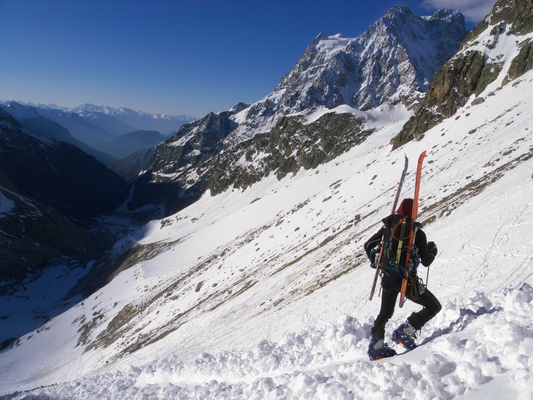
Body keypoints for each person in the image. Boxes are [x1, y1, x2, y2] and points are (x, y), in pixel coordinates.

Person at [364, 198, 441, 360]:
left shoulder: (387, 229)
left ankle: (376, 347)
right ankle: (404, 333)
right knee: (433, 306)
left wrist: (376, 261)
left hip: (387, 277)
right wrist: (431, 250)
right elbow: (426, 261)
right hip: (407, 281)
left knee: (385, 312)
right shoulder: (416, 233)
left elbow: (368, 244)